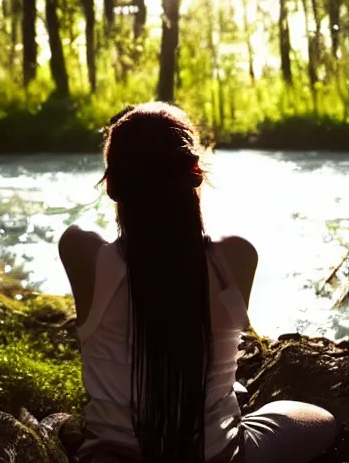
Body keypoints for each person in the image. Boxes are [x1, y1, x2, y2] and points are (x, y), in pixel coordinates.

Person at [58, 102, 338, 463]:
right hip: (216, 456)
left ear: (112, 186)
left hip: (112, 457)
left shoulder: (83, 251)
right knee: (321, 420)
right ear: (196, 174)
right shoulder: (236, 258)